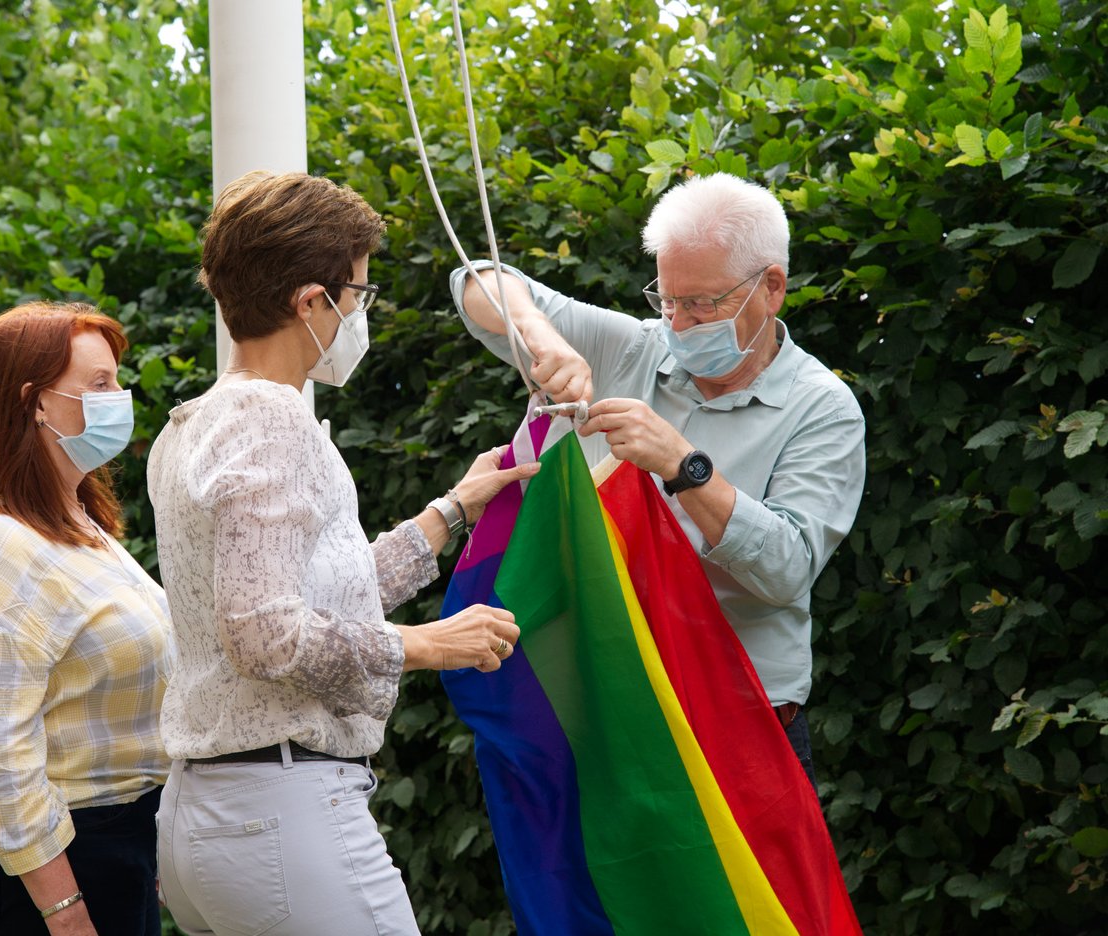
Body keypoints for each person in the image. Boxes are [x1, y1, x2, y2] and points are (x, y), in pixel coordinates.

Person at [146, 170, 535, 936]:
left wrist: (451, 511)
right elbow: (263, 631)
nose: (359, 313)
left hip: (210, 817)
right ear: (310, 301)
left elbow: (312, 592)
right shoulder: (273, 419)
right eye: (356, 294)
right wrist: (423, 645)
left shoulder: (191, 422)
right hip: (281, 815)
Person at [454, 171, 865, 788]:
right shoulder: (633, 348)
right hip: (604, 708)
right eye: (668, 300)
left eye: (704, 303)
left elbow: (786, 570)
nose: (681, 322)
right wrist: (545, 342)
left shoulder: (824, 410)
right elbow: (478, 281)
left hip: (740, 721)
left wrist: (683, 464)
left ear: (772, 288)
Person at [0, 302, 174, 936]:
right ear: (35, 402)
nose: (119, 398)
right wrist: (64, 911)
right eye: (99, 384)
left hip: (115, 844)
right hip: (51, 863)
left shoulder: (81, 527)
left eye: (117, 381)